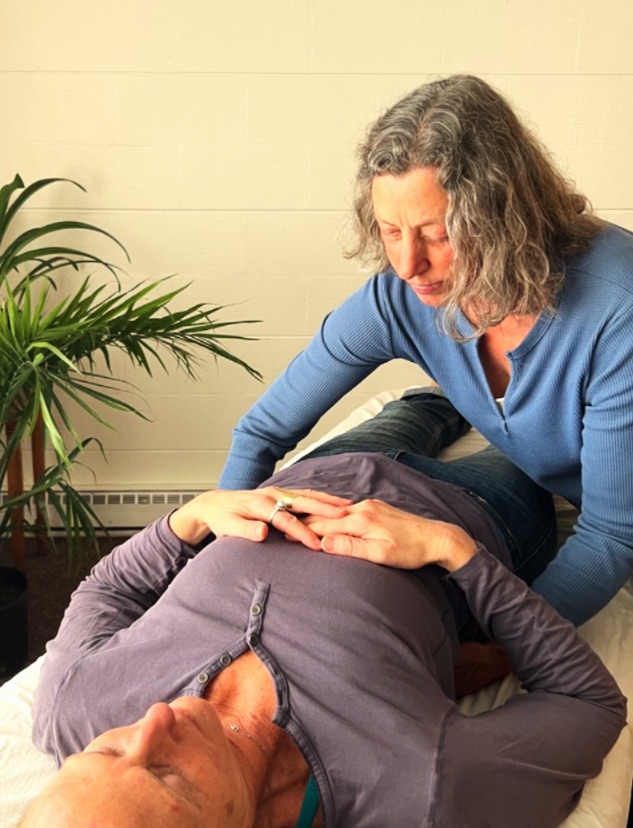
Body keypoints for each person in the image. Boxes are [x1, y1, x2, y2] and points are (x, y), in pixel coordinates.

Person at [23, 402, 625, 828]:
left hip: (319, 470)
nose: (154, 719)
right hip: (477, 509)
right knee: (533, 427)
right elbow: (589, 705)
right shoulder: (421, 789)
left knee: (425, 402)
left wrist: (193, 517)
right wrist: (452, 551)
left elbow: (105, 593)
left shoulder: (74, 704)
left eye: (106, 752)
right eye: (166, 775)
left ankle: (439, 402)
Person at [217, 73, 633, 628]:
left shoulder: (617, 311)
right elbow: (262, 431)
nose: (408, 264)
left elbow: (610, 535)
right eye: (391, 231)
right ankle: (433, 404)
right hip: (557, 480)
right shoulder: (400, 295)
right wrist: (219, 554)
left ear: (505, 217)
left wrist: (504, 650)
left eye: (438, 235)